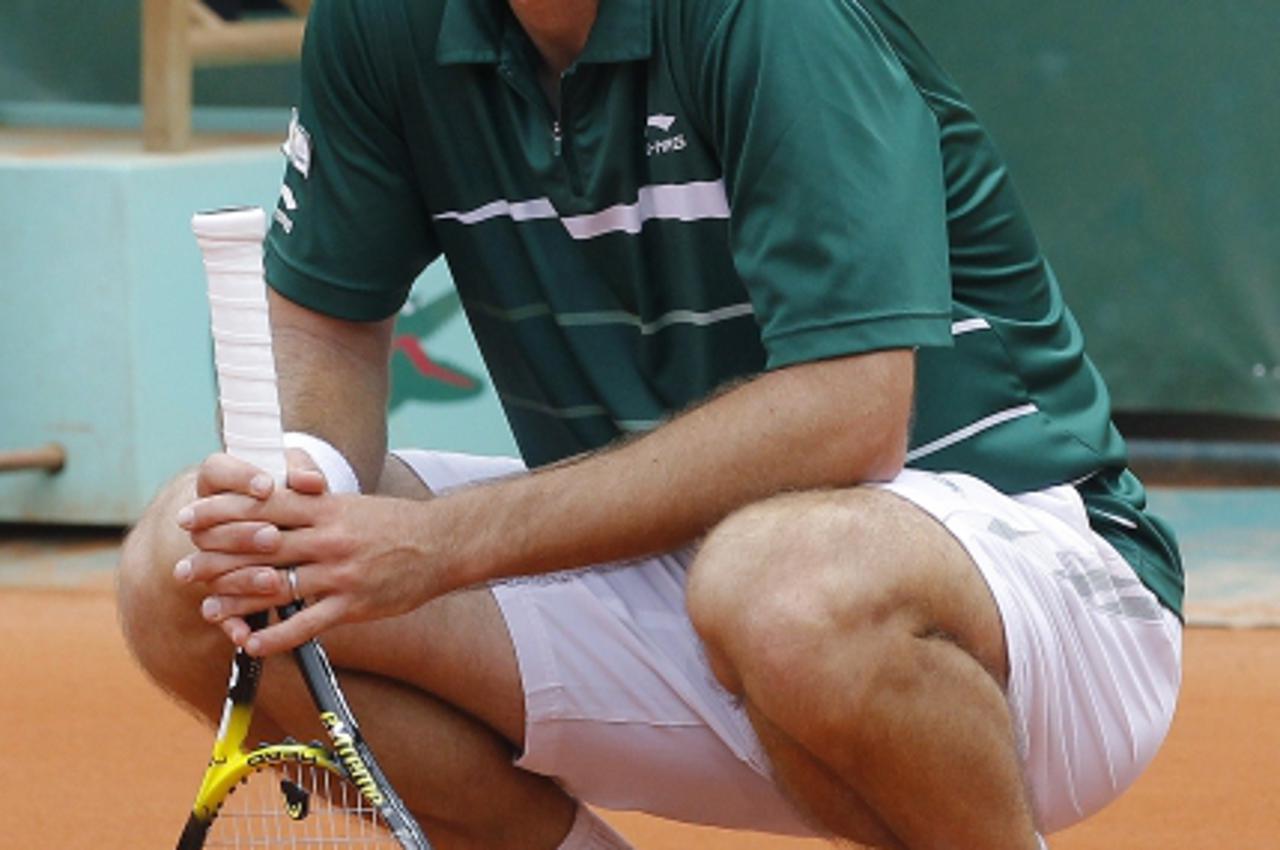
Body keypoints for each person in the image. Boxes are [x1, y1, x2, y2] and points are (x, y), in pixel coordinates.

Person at [117, 1, 1185, 848]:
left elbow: (850, 415)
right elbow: (326, 331)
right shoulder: (382, 23)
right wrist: (301, 490)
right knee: (191, 575)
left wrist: (439, 545)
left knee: (778, 585)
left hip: (1022, 601)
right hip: (671, 579)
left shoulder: (769, 17)